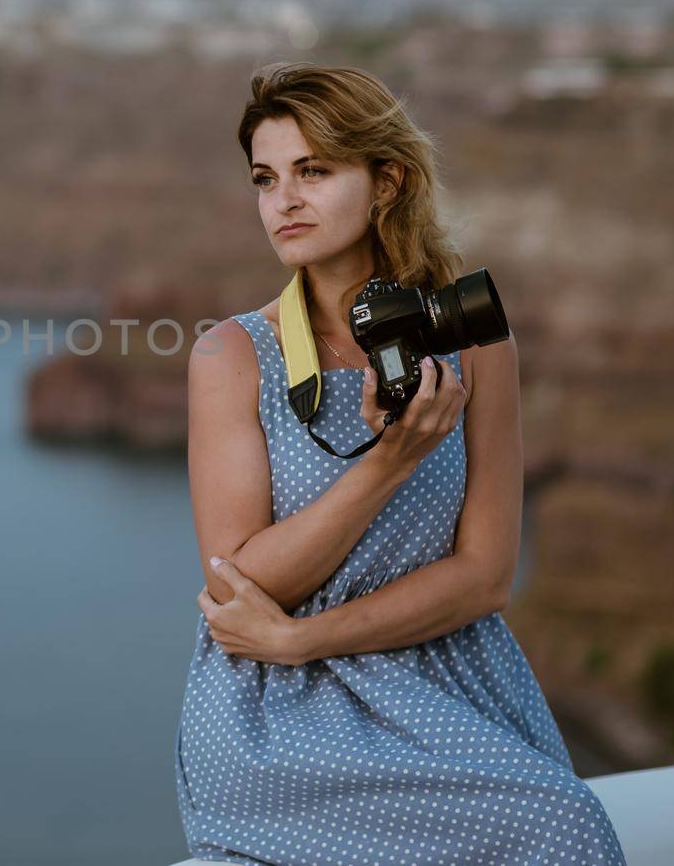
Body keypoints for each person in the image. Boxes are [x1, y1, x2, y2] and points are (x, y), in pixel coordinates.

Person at [174, 62, 627, 864]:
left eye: (314, 171)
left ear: (386, 181)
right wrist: (389, 461)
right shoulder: (232, 355)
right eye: (266, 177)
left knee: (565, 824)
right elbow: (239, 583)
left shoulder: (475, 346)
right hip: (282, 715)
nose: (284, 199)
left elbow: (486, 576)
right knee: (555, 825)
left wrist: (304, 639)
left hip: (448, 678)